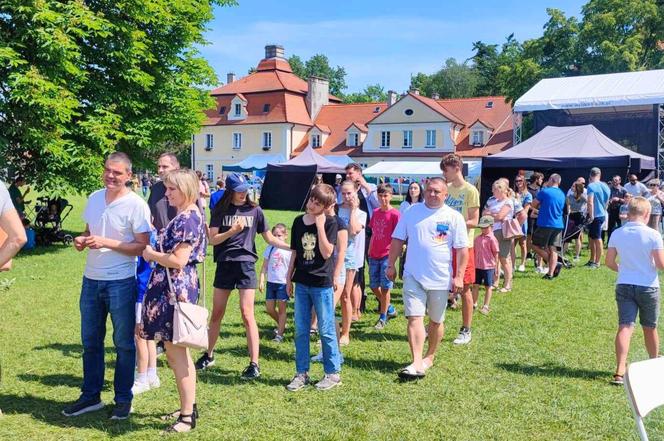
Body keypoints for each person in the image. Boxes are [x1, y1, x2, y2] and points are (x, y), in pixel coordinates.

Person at [62, 152, 151, 420]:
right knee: (90, 342)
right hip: (91, 279)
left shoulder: (136, 205)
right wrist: (83, 240)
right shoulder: (93, 198)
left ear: (129, 176)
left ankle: (123, 399)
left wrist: (105, 242)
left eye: (118, 172)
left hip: (121, 281)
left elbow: (142, 246)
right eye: (108, 170)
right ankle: (91, 396)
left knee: (123, 344)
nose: (111, 176)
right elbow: (91, 233)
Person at [196, 173, 287, 379]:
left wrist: (290, 247)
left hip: (246, 264)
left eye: (245, 189)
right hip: (225, 264)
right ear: (230, 190)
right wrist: (232, 231)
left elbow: (269, 237)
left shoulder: (255, 210)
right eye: (238, 191)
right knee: (217, 313)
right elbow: (212, 240)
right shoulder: (220, 209)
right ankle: (208, 355)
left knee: (248, 314)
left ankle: (254, 363)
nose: (242, 194)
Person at [138, 169, 207, 433]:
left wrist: (151, 254)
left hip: (174, 291)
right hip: (172, 289)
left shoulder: (187, 219)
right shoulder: (187, 216)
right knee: (177, 353)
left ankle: (187, 416)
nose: (166, 194)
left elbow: (178, 260)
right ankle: (188, 407)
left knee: (177, 354)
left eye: (171, 189)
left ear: (186, 190)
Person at [386, 178, 468, 379]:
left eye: (437, 192)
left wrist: (458, 276)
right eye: (429, 190)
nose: (432, 194)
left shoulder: (454, 217)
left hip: (440, 278)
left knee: (436, 321)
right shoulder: (411, 212)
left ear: (445, 195)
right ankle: (416, 361)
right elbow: (397, 239)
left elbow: (462, 249)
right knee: (414, 317)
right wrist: (391, 265)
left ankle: (429, 356)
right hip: (413, 274)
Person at [285, 184, 342, 391]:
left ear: (326, 206)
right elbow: (294, 252)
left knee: (326, 330)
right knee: (301, 329)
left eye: (318, 203)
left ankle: (332, 373)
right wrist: (288, 276)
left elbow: (327, 253)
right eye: (311, 200)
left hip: (321, 283)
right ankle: (302, 373)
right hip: (301, 281)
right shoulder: (298, 221)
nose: (312, 205)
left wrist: (319, 226)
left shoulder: (331, 223)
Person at [605, 196, 664, 386]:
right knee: (650, 327)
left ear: (628, 213)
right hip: (648, 285)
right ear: (647, 214)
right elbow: (661, 264)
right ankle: (654, 363)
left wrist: (622, 269)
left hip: (624, 283)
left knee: (625, 326)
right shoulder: (653, 235)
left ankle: (620, 369)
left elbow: (609, 262)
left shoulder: (617, 233)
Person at [441, 153, 479, 345]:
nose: (444, 174)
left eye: (446, 170)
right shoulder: (444, 190)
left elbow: (474, 221)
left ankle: (466, 328)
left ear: (456, 168)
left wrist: (455, 224)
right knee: (440, 286)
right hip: (443, 245)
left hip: (464, 246)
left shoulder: (470, 190)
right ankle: (435, 324)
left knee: (464, 288)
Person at [344, 163, 379, 314]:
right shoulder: (347, 189)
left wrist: (365, 187)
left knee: (373, 266)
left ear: (359, 173)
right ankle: (360, 304)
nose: (348, 176)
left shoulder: (370, 186)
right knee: (358, 267)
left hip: (370, 231)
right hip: (352, 232)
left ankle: (381, 300)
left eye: (350, 173)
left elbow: (378, 205)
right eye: (346, 174)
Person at [337, 180, 367, 345]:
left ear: (356, 192)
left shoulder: (361, 213)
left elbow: (354, 230)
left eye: (349, 193)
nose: (347, 196)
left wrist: (353, 210)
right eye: (343, 193)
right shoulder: (336, 208)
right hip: (334, 256)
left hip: (350, 257)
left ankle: (345, 333)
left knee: (345, 296)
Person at [368, 184, 400, 330]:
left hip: (387, 255)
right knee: (374, 286)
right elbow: (374, 232)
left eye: (386, 195)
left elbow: (399, 237)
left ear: (391, 196)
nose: (383, 198)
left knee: (385, 287)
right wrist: (369, 249)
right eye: (380, 196)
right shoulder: (375, 212)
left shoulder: (395, 214)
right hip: (374, 253)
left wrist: (395, 256)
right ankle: (390, 308)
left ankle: (383, 317)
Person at [258, 223, 292, 343]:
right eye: (274, 235)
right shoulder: (270, 248)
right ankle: (282, 325)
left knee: (282, 310)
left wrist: (290, 282)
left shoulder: (289, 250)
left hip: (282, 283)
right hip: (271, 283)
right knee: (269, 308)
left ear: (285, 235)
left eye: (279, 235)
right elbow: (264, 266)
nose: (277, 238)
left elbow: (292, 268)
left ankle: (280, 334)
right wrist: (261, 278)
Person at [531, 174, 565, 279]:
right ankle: (550, 274)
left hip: (545, 224)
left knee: (534, 245)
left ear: (551, 180)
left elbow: (533, 204)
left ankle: (552, 264)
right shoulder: (562, 194)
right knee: (553, 248)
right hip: (558, 224)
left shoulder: (545, 191)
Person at [482, 180, 514, 292]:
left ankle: (508, 284)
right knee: (494, 258)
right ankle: (495, 282)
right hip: (492, 231)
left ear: (501, 190)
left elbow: (500, 216)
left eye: (495, 189)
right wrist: (492, 214)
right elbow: (483, 213)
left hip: (503, 232)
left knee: (504, 258)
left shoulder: (508, 202)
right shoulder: (493, 201)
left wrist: (490, 214)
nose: (493, 191)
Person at [472, 216, 499, 315]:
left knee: (488, 286)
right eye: (482, 227)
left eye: (485, 227)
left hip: (488, 267)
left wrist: (496, 267)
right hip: (477, 266)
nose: (483, 229)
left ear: (491, 226)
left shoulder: (492, 239)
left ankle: (486, 306)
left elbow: (496, 253)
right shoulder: (477, 238)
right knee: (475, 285)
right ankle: (473, 303)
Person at [147, 153, 180, 234]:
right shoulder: (155, 188)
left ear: (176, 168)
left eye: (165, 167)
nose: (160, 170)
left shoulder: (187, 188)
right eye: (159, 167)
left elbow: (199, 218)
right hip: (160, 241)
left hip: (182, 240)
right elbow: (149, 214)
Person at [586, 167, 611, 269]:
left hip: (595, 215)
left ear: (590, 175)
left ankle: (597, 262)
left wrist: (591, 216)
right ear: (599, 175)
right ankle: (592, 260)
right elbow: (607, 202)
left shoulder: (591, 186)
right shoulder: (605, 186)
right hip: (602, 214)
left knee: (597, 238)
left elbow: (590, 202)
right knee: (591, 238)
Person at [513, 175, 532, 272]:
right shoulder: (513, 194)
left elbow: (526, 209)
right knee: (513, 243)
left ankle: (522, 263)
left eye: (520, 181)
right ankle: (512, 264)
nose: (518, 182)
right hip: (513, 221)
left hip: (522, 221)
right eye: (516, 181)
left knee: (523, 243)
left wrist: (519, 218)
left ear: (524, 182)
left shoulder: (528, 195)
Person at [526, 172, 544, 272]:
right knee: (529, 235)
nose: (541, 181)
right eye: (541, 179)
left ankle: (537, 257)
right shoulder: (528, 190)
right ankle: (528, 253)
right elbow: (528, 204)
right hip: (529, 217)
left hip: (539, 218)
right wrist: (535, 210)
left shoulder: (541, 190)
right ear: (536, 179)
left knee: (537, 238)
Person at [567, 181, 588, 262]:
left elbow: (589, 203)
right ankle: (563, 253)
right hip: (571, 216)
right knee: (567, 237)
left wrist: (586, 212)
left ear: (577, 188)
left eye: (573, 186)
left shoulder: (583, 197)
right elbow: (568, 206)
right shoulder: (569, 196)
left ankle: (577, 256)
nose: (571, 187)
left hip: (579, 216)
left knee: (577, 237)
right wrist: (568, 212)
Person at [607, 175, 627, 241]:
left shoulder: (623, 190)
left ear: (620, 181)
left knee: (621, 226)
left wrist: (618, 199)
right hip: (611, 210)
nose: (614, 182)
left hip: (620, 210)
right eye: (613, 180)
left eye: (616, 180)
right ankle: (609, 241)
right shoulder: (609, 189)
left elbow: (627, 201)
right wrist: (610, 200)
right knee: (610, 227)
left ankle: (621, 240)